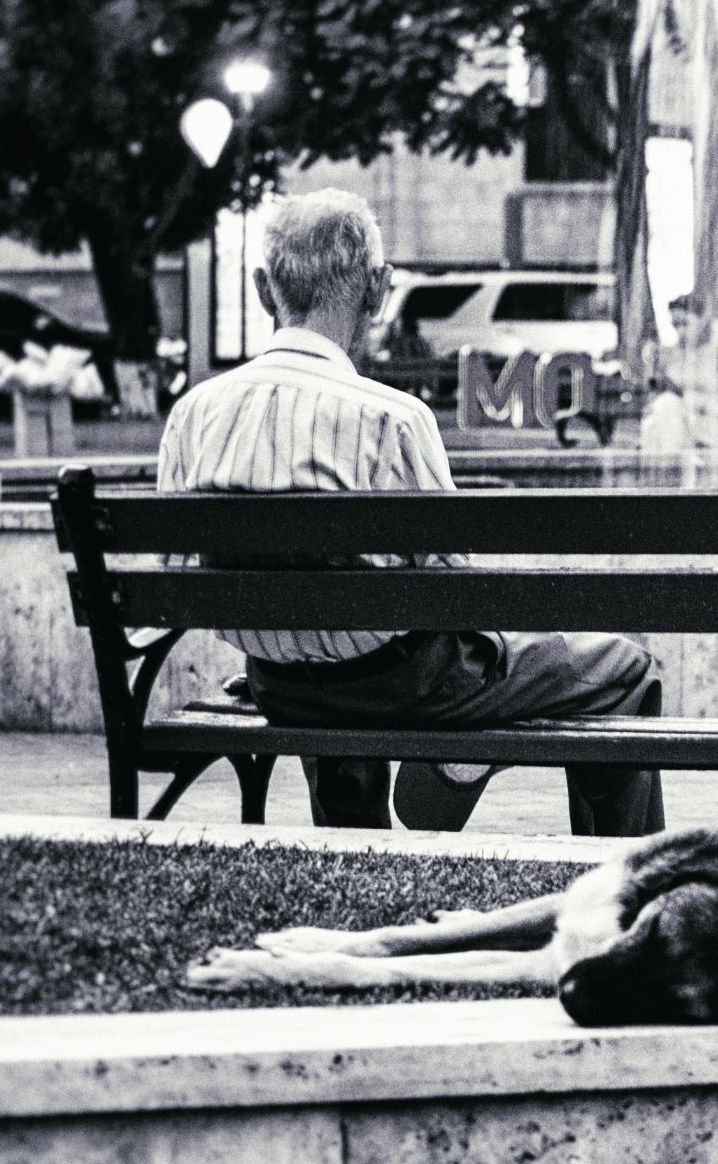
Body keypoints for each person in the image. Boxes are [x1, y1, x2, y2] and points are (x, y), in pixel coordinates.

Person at [156, 189, 665, 835]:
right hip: (410, 688)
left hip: (280, 686)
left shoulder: (194, 415)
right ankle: (619, 870)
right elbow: (449, 585)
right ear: (376, 289)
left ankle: (363, 844)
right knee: (626, 667)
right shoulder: (392, 419)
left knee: (350, 652)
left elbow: (174, 571)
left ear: (263, 289)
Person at [641, 293, 718, 453]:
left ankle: (669, 461)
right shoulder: (675, 353)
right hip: (681, 426)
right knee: (659, 413)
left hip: (714, 429)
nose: (680, 332)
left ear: (703, 320)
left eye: (685, 324)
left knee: (667, 407)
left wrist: (691, 401)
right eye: (675, 325)